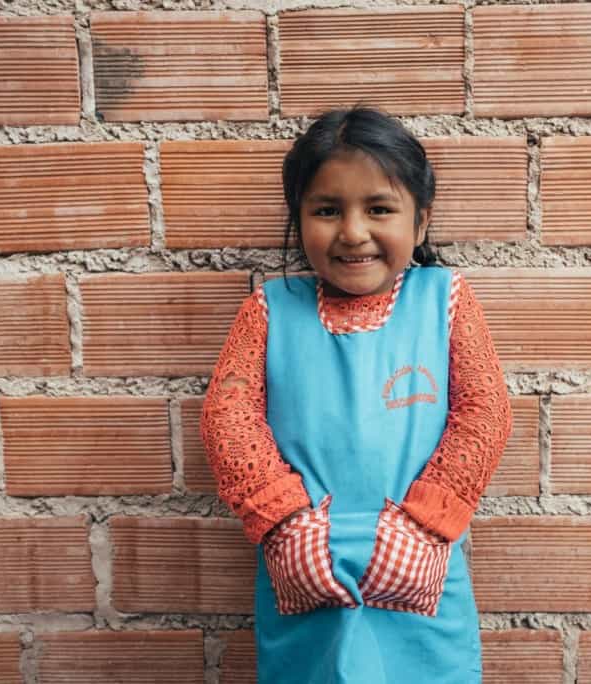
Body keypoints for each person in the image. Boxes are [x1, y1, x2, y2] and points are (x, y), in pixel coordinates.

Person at [200, 106, 512, 684]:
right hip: (301, 558)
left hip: (422, 559)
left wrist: (427, 522)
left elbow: (484, 410)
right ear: (298, 218)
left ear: (419, 223)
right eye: (326, 210)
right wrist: (282, 520)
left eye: (379, 209)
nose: (352, 231)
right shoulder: (269, 309)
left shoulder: (445, 300)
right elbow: (229, 414)